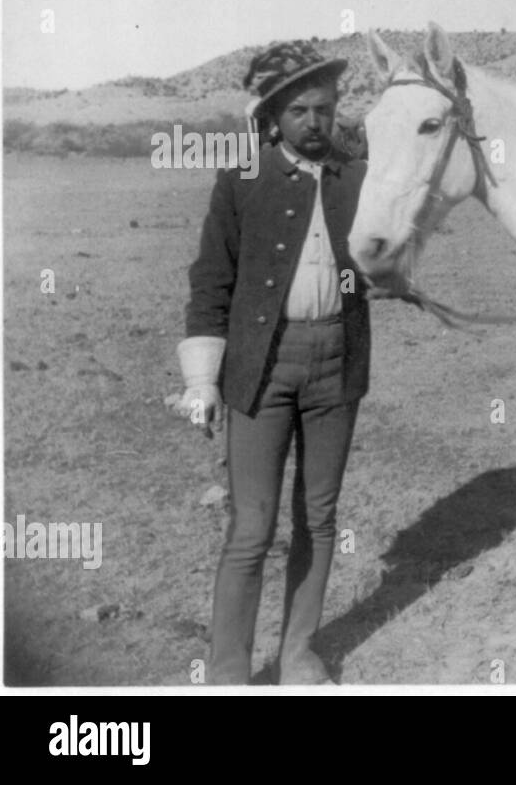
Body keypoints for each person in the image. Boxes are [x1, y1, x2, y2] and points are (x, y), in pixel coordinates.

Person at [173, 41, 371, 685]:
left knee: (318, 514)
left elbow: (387, 252)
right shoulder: (242, 181)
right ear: (274, 118)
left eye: (326, 109)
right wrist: (203, 380)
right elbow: (211, 284)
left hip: (336, 368)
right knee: (252, 525)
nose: (316, 122)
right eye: (301, 111)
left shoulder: (358, 179)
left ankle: (298, 654)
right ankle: (229, 669)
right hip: (260, 370)